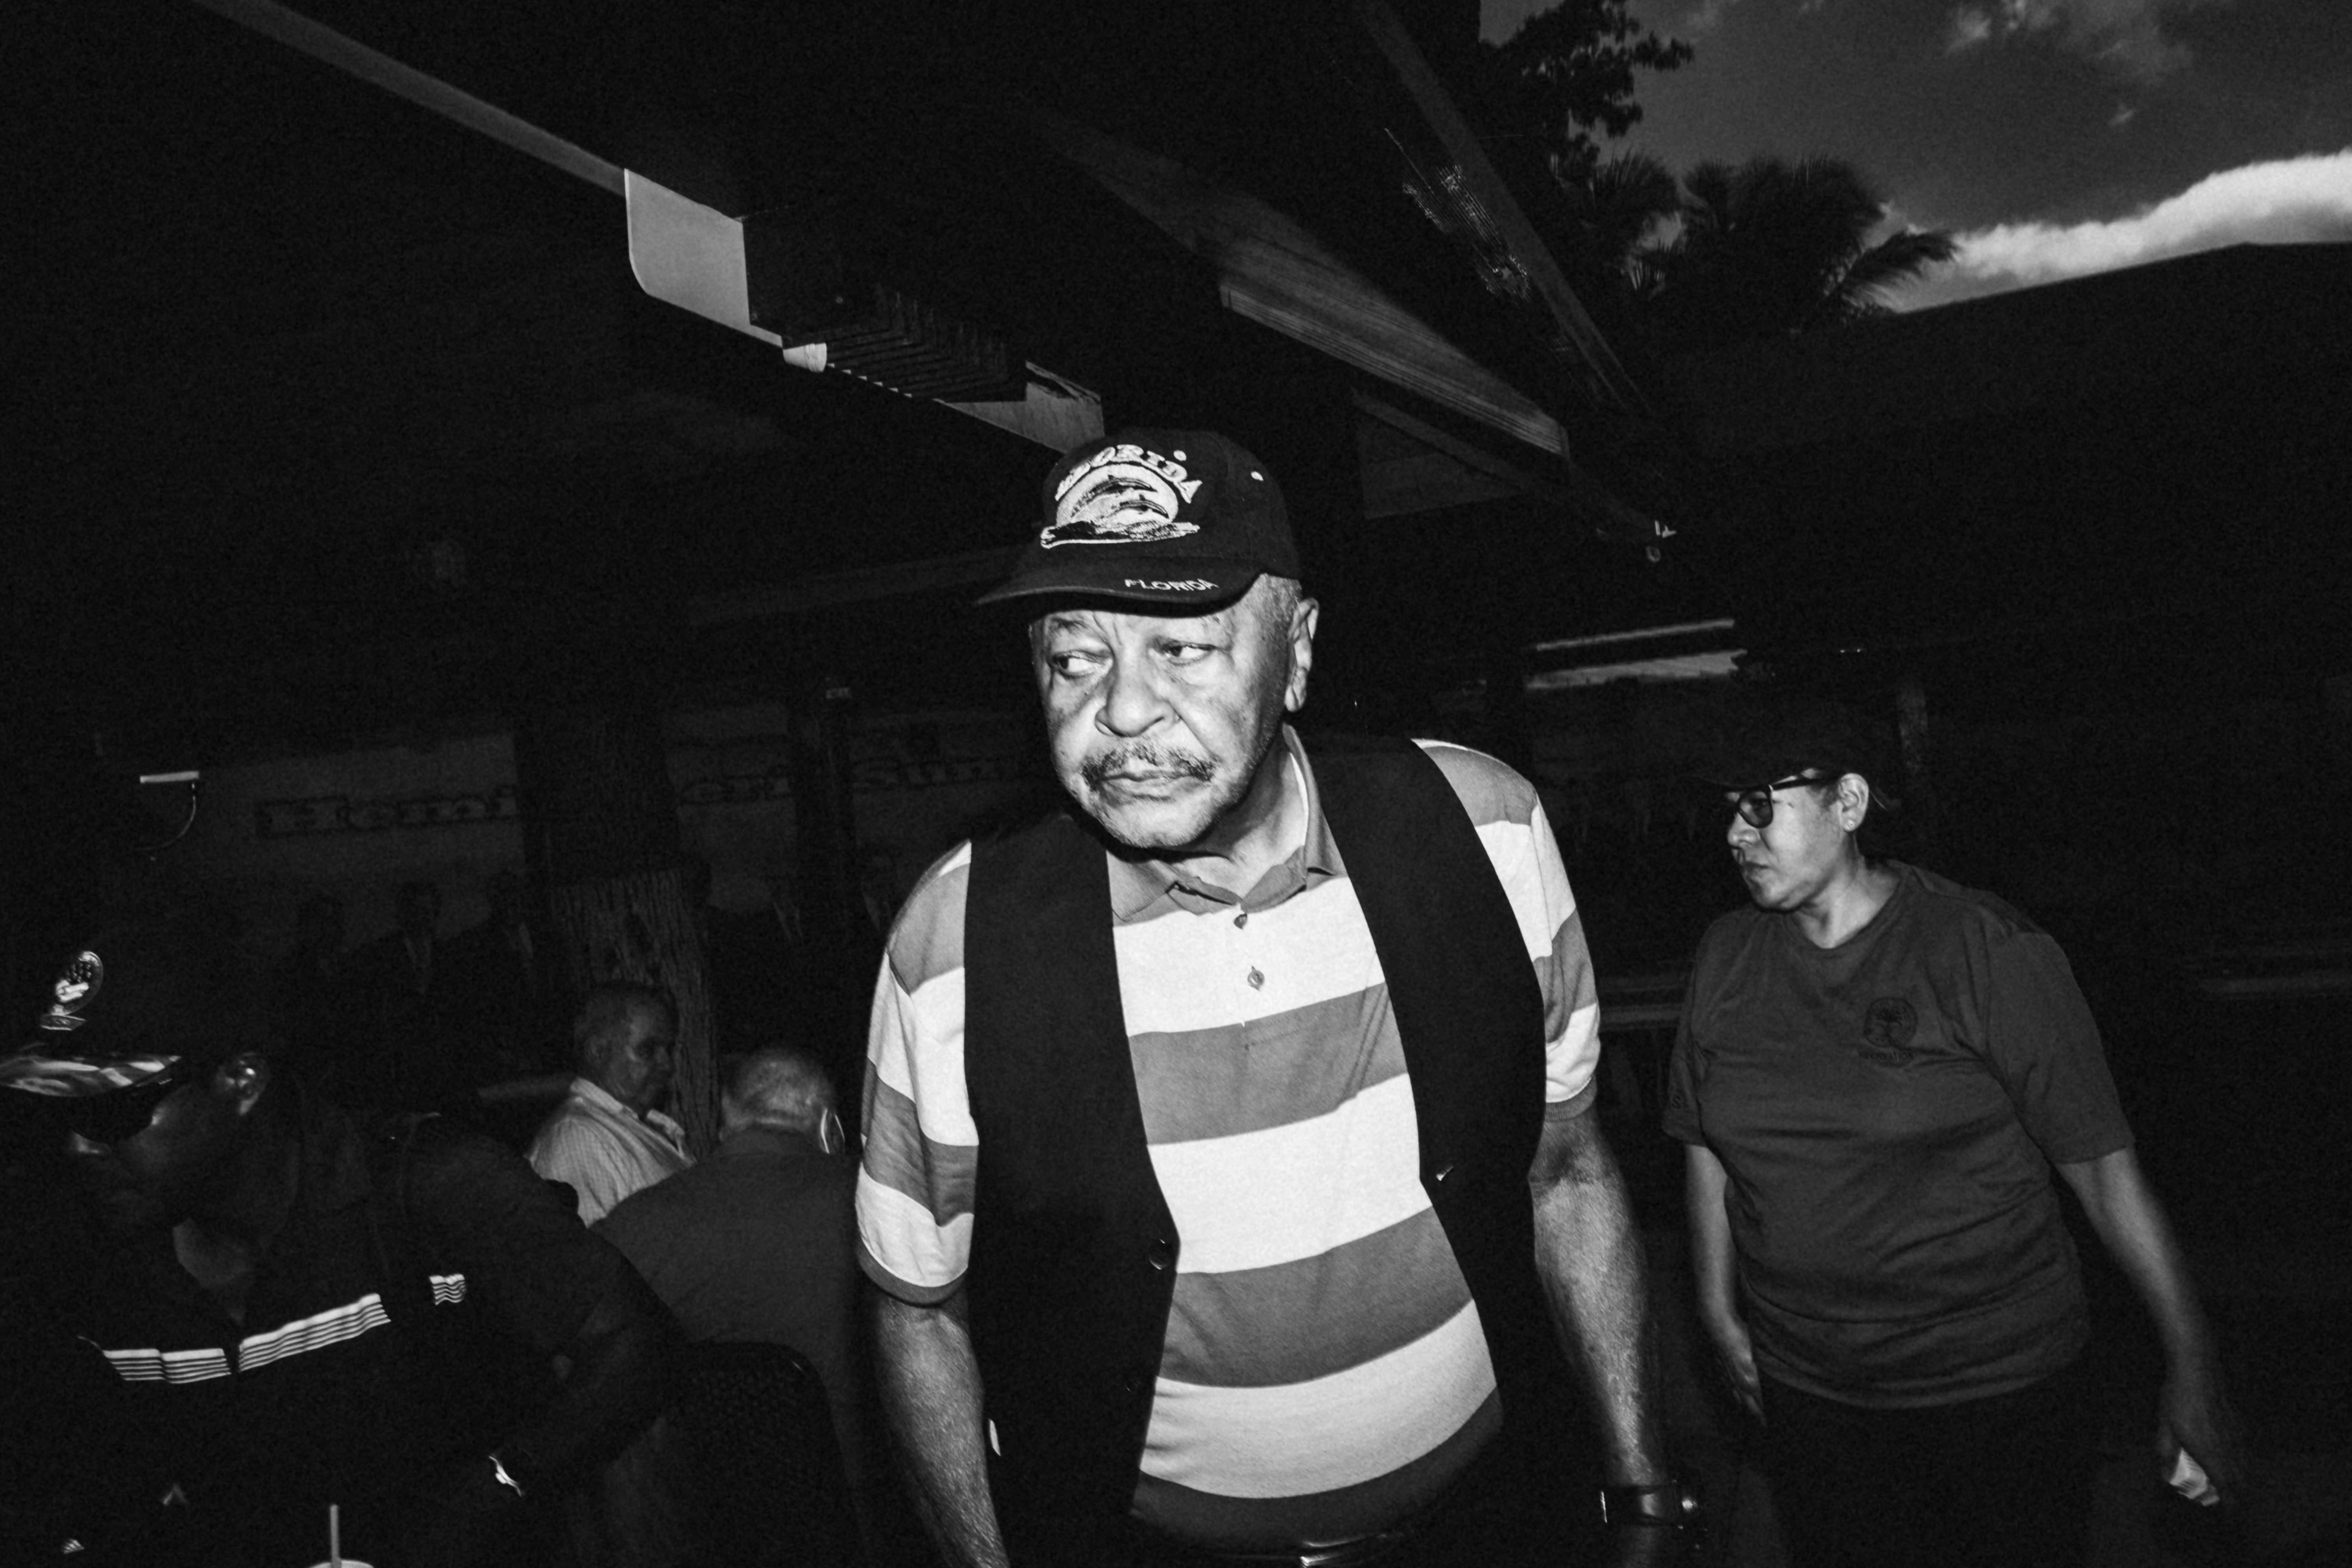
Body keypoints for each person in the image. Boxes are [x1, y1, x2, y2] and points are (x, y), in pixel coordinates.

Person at [859, 429, 1687, 1568]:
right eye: (1075, 659)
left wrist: (1639, 1484)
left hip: (1492, 1526)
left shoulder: (1483, 831)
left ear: (1294, 653)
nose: (1124, 711)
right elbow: (916, 1307)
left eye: (1183, 648)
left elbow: (1568, 1170)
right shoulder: (953, 939)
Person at [1664, 704, 2245, 1568]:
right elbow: (1703, 1141)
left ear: (1848, 803)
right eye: (1725, 810)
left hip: (1998, 1389)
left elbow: (2104, 1172)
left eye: (1758, 805)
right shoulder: (1726, 956)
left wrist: (2194, 1366)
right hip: (1811, 1391)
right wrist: (1717, 1312)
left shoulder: (1982, 948)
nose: (1734, 835)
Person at [0, 919, 675, 1567]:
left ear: (241, 1081)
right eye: (60, 1110)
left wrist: (493, 1489)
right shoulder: (77, 1266)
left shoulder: (427, 1187)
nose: (78, 1145)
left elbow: (634, 1341)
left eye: (108, 1109)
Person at [589, 1047, 872, 1564]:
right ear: (829, 1126)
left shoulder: (635, 1224)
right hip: (857, 1520)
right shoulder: (871, 1208)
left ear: (727, 1122)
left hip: (704, 1524)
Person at [528, 983, 693, 1225]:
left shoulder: (639, 1127)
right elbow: (592, 1245)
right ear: (597, 1052)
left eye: (668, 1049)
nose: (667, 1065)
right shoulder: (580, 1138)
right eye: (647, 1050)